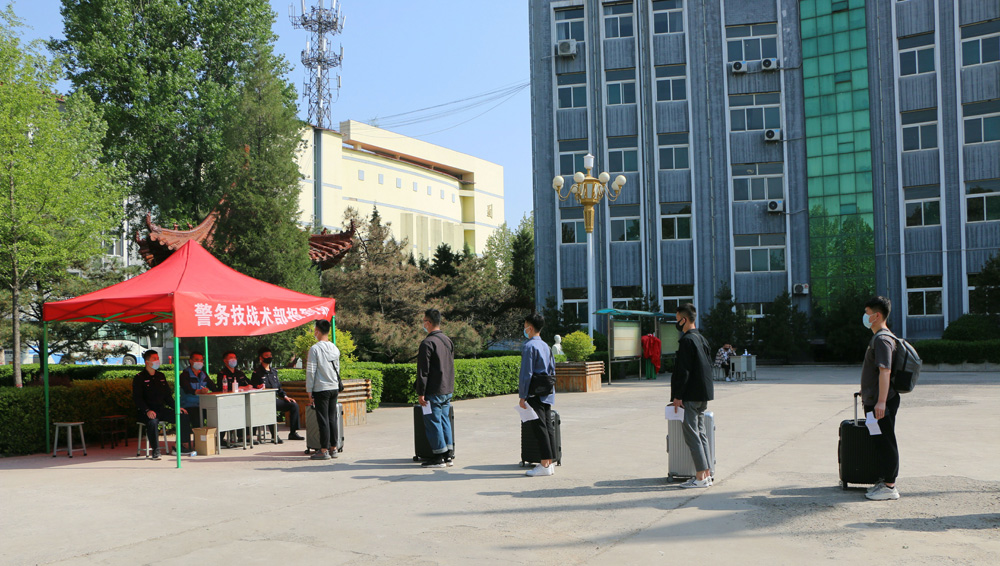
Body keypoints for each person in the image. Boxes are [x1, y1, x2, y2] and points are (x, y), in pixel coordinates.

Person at [860, 296, 901, 501]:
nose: (864, 316)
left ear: (876, 316)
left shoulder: (883, 339)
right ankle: (883, 481)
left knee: (886, 441)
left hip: (881, 403)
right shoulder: (878, 338)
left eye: (867, 313)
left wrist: (881, 402)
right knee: (878, 440)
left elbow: (885, 371)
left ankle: (890, 486)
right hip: (874, 401)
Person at [670, 303, 715, 488]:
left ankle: (700, 477)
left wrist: (677, 396)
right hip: (703, 394)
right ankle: (707, 474)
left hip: (690, 395)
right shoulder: (701, 339)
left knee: (692, 436)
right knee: (701, 434)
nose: (676, 323)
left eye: (677, 319)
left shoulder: (687, 341)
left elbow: (684, 371)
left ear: (684, 319)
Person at [416, 309, 456, 468]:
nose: (423, 324)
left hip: (433, 390)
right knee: (445, 420)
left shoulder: (427, 343)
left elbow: (423, 371)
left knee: (433, 422)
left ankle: (438, 457)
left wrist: (421, 392)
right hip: (447, 388)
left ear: (428, 322)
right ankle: (448, 455)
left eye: (424, 321)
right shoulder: (447, 341)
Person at [133, 350, 191, 459]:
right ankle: (156, 450)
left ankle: (181, 446)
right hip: (146, 411)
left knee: (182, 416)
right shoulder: (139, 377)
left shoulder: (161, 376)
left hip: (160, 409)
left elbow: (167, 397)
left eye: (158, 358)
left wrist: (177, 408)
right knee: (153, 422)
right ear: (147, 362)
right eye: (154, 359)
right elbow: (137, 398)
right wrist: (147, 410)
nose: (157, 361)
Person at [518, 311, 557, 477]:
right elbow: (552, 368)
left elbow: (526, 373)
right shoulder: (546, 346)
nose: (524, 329)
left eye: (525, 326)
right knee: (547, 427)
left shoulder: (529, 346)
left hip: (534, 391)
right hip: (546, 390)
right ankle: (549, 462)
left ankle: (544, 464)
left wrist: (522, 396)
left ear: (530, 327)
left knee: (539, 428)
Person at [250, 346, 304, 442]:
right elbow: (253, 388)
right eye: (266, 356)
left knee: (294, 405)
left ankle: (293, 433)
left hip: (274, 399)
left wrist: (285, 396)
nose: (269, 357)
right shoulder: (256, 373)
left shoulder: (274, 372)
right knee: (270, 407)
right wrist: (258, 387)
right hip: (263, 401)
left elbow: (279, 388)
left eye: (270, 355)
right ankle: (274, 435)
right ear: (261, 358)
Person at [306, 319, 341, 460]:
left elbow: (311, 371)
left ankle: (324, 450)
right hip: (334, 387)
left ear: (317, 331)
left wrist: (309, 390)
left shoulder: (315, 349)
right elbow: (337, 368)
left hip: (321, 388)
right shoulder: (334, 348)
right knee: (332, 418)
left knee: (323, 420)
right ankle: (334, 448)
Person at [216, 350, 252, 447]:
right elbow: (223, 387)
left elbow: (248, 383)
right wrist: (241, 387)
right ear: (225, 360)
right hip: (226, 401)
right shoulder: (222, 374)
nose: (233, 360)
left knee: (246, 410)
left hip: (240, 400)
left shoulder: (239, 373)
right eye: (231, 358)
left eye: (235, 358)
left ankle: (243, 436)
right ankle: (220, 438)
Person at [178, 351, 218, 437]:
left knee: (216, 415)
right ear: (190, 361)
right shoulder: (184, 375)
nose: (199, 362)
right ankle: (199, 441)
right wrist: (199, 392)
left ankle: (218, 440)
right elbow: (187, 389)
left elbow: (213, 387)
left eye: (201, 360)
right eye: (197, 360)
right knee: (197, 418)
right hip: (189, 405)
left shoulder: (203, 374)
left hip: (203, 404)